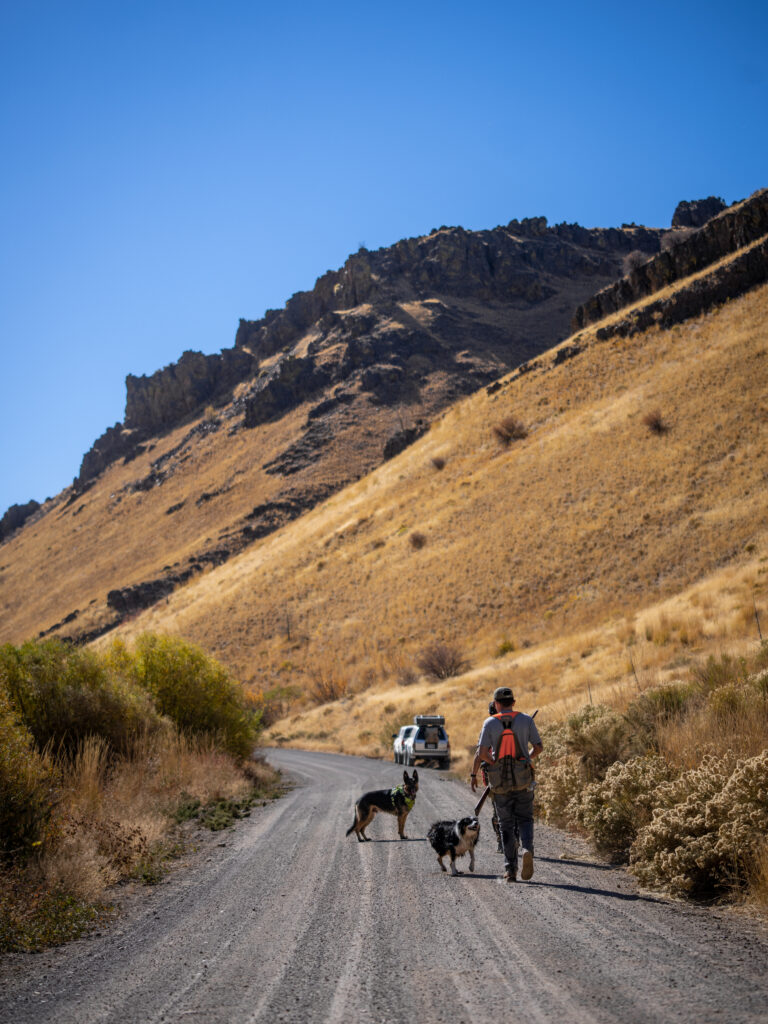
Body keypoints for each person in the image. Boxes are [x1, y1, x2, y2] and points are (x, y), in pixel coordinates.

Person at [470, 685, 543, 882]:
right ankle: (527, 848)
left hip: (499, 781)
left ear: (496, 704)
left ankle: (510, 870)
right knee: (526, 819)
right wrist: (526, 758)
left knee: (506, 824)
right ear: (514, 702)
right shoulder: (526, 720)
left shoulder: (489, 723)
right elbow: (538, 747)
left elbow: (482, 752)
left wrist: (492, 763)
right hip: (523, 778)